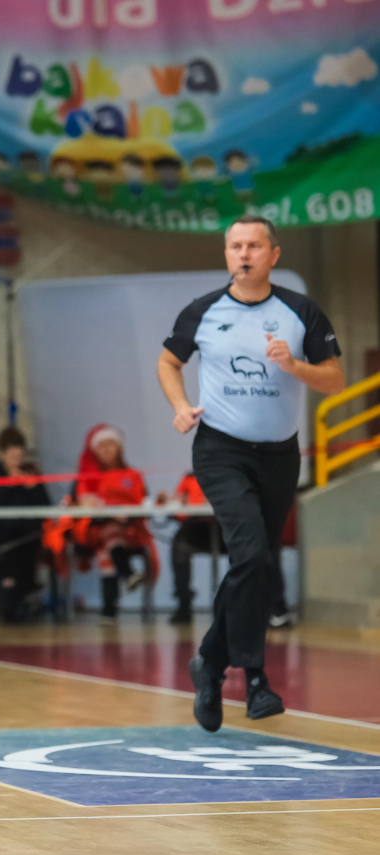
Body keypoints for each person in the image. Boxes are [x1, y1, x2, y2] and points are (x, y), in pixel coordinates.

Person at [158, 214, 344, 731]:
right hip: (221, 450)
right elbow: (168, 362)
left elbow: (334, 378)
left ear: (273, 254)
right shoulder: (203, 311)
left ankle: (210, 662)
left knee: (258, 561)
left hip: (280, 455)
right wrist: (180, 406)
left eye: (254, 246)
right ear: (227, 254)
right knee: (251, 553)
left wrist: (295, 366)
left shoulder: (300, 311)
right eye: (236, 246)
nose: (244, 254)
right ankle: (256, 679)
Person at [67, 424, 152, 620]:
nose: (106, 450)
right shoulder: (87, 477)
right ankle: (127, 574)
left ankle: (109, 611)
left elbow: (143, 503)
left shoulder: (133, 476)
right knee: (109, 534)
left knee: (106, 548)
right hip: (93, 530)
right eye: (102, 445)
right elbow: (79, 506)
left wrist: (125, 513)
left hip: (128, 530)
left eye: (110, 444)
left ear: (119, 447)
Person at [0, 427, 51, 623]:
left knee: (21, 547)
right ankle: (12, 594)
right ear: (2, 454)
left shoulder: (31, 475)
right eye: (12, 455)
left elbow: (46, 506)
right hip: (0, 534)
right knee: (11, 547)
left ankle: (9, 590)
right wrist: (8, 485)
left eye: (19, 455)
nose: (16, 459)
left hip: (28, 534)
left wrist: (32, 488)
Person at [161, 472, 217, 625]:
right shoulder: (189, 479)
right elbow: (180, 509)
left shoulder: (235, 472)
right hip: (199, 528)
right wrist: (169, 503)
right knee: (180, 544)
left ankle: (245, 603)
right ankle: (184, 601)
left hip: (229, 528)